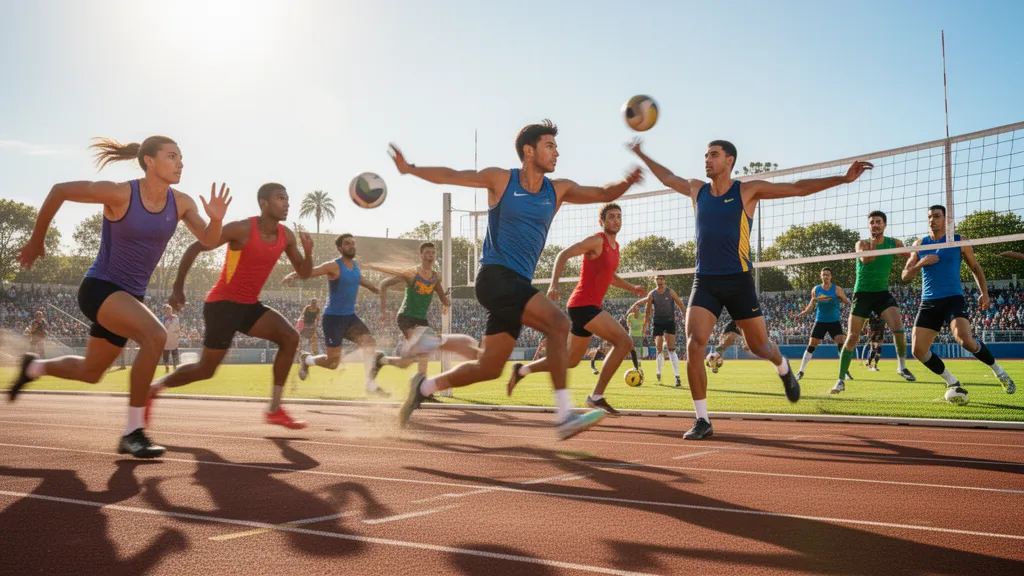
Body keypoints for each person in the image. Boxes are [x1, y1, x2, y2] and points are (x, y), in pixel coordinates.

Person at [388, 120, 644, 439]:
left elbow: (604, 193)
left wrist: (628, 181)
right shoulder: (501, 180)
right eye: (549, 146)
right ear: (529, 150)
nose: (557, 152)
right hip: (495, 276)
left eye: (556, 146)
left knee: (489, 367)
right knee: (559, 324)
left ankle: (424, 387)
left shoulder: (558, 189)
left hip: (516, 286)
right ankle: (564, 415)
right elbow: (452, 175)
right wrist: (409, 169)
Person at [629, 136, 873, 439]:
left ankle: (783, 367)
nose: (706, 159)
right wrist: (642, 153)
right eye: (705, 155)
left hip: (738, 280)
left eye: (713, 155)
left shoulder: (747, 191)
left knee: (759, 346)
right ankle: (702, 419)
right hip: (704, 280)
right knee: (694, 344)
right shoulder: (697, 190)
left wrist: (843, 179)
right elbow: (667, 178)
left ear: (729, 160)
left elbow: (798, 188)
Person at [8, 135, 229, 458]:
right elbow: (60, 191)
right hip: (99, 288)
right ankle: (132, 431)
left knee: (91, 372)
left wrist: (217, 218)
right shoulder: (121, 193)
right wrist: (37, 240)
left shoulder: (181, 203)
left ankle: (33, 369)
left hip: (129, 299)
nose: (180, 163)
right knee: (155, 335)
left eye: (181, 157)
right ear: (149, 161)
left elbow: (209, 240)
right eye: (172, 156)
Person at [146, 183, 315, 428]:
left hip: (249, 306)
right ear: (264, 203)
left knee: (290, 337)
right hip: (222, 305)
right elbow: (196, 246)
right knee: (206, 369)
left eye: (288, 198)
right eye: (280, 198)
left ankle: (275, 410)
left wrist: (308, 254)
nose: (287, 203)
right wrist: (177, 287)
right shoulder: (242, 228)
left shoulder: (286, 236)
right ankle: (154, 389)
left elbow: (304, 272)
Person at [505, 202, 647, 416]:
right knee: (624, 342)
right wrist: (554, 283)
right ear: (602, 221)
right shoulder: (596, 241)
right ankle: (596, 396)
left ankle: (522, 370)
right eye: (611, 217)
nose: (616, 220)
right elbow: (562, 255)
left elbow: (611, 278)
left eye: (619, 216)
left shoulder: (616, 248)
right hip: (583, 305)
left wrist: (632, 287)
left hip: (585, 307)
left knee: (570, 361)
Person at [902, 205, 1015, 397]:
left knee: (965, 341)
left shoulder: (959, 240)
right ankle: (952, 382)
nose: (932, 220)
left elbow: (975, 267)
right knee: (918, 350)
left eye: (937, 216)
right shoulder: (920, 244)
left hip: (953, 299)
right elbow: (905, 276)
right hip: (929, 302)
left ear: (946, 219)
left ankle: (1000, 372)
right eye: (930, 216)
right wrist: (921, 263)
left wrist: (984, 293)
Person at [285, 234, 391, 398]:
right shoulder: (334, 266)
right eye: (347, 243)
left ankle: (370, 385)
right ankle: (307, 360)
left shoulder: (355, 266)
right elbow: (312, 271)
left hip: (350, 317)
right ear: (340, 248)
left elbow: (358, 279)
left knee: (369, 343)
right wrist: (293, 275)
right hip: (333, 319)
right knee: (332, 363)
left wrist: (372, 287)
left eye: (353, 243)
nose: (351, 246)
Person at [374, 242, 482, 385]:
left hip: (421, 319)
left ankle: (383, 361)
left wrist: (446, 301)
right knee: (425, 345)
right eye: (427, 253)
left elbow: (442, 297)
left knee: (416, 358)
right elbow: (384, 284)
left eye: (432, 253)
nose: (430, 255)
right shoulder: (411, 273)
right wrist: (382, 310)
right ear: (421, 255)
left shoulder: (435, 277)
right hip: (406, 316)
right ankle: (420, 385)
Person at [832, 210, 916, 394]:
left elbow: (911, 254)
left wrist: (911, 265)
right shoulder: (862, 243)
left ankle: (901, 367)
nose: (875, 225)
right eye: (872, 222)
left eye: (878, 222)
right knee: (853, 337)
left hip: (882, 294)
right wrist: (875, 244)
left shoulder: (894, 243)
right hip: (862, 294)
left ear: (884, 224)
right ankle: (840, 380)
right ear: (868, 226)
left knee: (899, 328)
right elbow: (866, 258)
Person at [792, 267, 853, 381]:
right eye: (823, 275)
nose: (825, 277)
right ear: (821, 276)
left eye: (828, 275)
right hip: (820, 321)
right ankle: (801, 372)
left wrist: (842, 299)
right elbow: (812, 301)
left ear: (831, 276)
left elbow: (846, 300)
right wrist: (805, 312)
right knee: (811, 345)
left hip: (834, 321)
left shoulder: (837, 289)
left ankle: (845, 372)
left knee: (841, 343)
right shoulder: (816, 289)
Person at [638, 273, 687, 386]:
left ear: (664, 280)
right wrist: (647, 321)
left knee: (671, 348)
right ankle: (658, 371)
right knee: (659, 348)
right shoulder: (652, 294)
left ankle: (677, 376)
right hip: (658, 323)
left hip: (669, 322)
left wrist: (684, 314)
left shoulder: (670, 292)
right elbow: (648, 308)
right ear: (655, 281)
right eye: (657, 279)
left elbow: (679, 303)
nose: (659, 281)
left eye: (661, 279)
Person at [623, 302, 646, 371]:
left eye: (636, 308)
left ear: (638, 309)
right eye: (633, 308)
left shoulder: (642, 315)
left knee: (639, 349)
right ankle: (634, 362)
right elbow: (628, 323)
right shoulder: (630, 316)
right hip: (632, 335)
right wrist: (630, 327)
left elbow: (645, 321)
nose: (634, 309)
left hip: (639, 335)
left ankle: (638, 362)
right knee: (632, 349)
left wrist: (643, 329)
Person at [161, 304, 180, 374]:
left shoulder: (176, 317)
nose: (168, 312)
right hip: (166, 339)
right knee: (165, 354)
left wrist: (177, 335)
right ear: (165, 311)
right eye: (167, 310)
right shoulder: (163, 318)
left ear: (171, 311)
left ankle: (175, 367)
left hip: (174, 338)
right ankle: (167, 367)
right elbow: (162, 328)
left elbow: (178, 328)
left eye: (169, 310)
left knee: (174, 353)